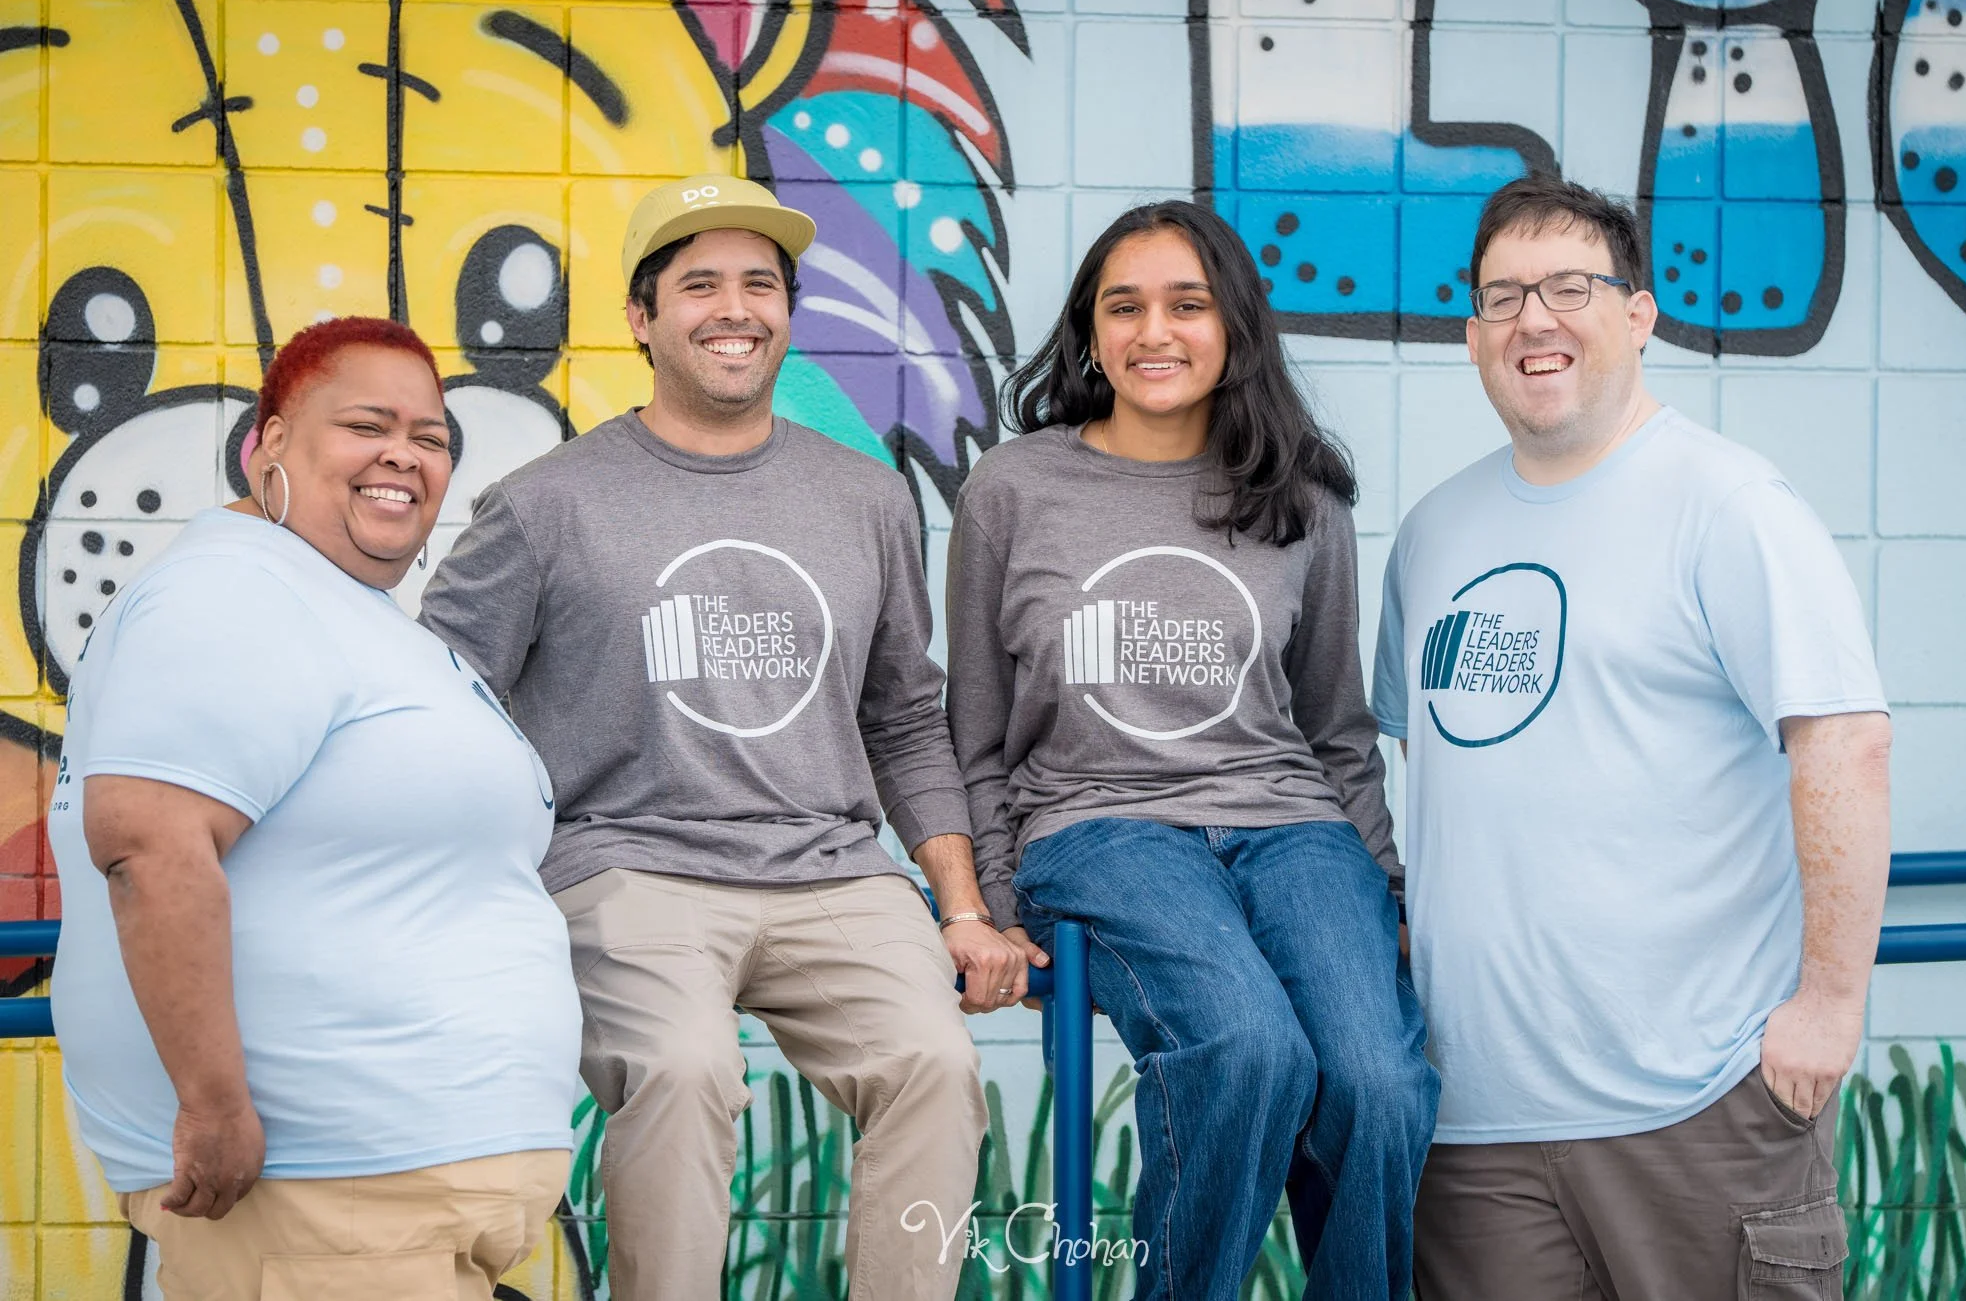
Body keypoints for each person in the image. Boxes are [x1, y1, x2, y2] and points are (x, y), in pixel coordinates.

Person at [419, 175, 1015, 1299]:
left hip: (831, 870)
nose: (732, 308)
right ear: (642, 319)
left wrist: (962, 906)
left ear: (789, 311)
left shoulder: (866, 496)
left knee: (936, 1065)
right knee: (684, 1070)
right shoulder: (547, 502)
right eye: (698, 284)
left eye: (759, 283)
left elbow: (900, 714)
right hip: (626, 867)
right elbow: (438, 702)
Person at [1373, 173, 1890, 1298]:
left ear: (1638, 314)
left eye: (1569, 286)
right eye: (1502, 296)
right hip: (1474, 1124)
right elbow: (1429, 767)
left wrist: (1827, 1006)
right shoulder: (1431, 535)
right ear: (1470, 334)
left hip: (1696, 1102)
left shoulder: (1729, 506)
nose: (1534, 320)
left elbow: (1842, 745)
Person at [947, 199, 1437, 1300]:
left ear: (1233, 331)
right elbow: (974, 732)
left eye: (1186, 304)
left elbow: (1332, 728)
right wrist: (991, 900)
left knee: (1377, 1082)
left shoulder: (1301, 497)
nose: (1153, 332)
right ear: (1087, 332)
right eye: (1122, 307)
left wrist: (1386, 892)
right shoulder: (1013, 489)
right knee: (1249, 1052)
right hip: (1096, 827)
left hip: (1293, 831)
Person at [48, 316, 580, 1298]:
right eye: (365, 425)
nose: (403, 454)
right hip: (325, 1193)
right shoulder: (236, 588)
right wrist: (211, 1108)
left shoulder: (334, 606)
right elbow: (150, 844)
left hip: (385, 1196)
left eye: (430, 438)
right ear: (269, 444)